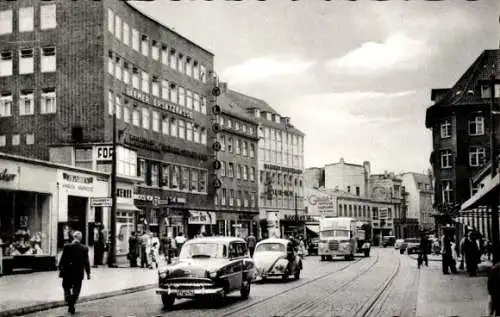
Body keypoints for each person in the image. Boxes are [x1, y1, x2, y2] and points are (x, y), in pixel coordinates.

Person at [58, 231, 91, 315]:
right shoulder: (84, 248)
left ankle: (69, 301)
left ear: (73, 237)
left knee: (66, 287)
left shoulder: (67, 247)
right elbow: (86, 262)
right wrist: (88, 273)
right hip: (78, 272)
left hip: (67, 272)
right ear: (80, 238)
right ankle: (72, 302)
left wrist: (60, 267)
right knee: (77, 289)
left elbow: (62, 259)